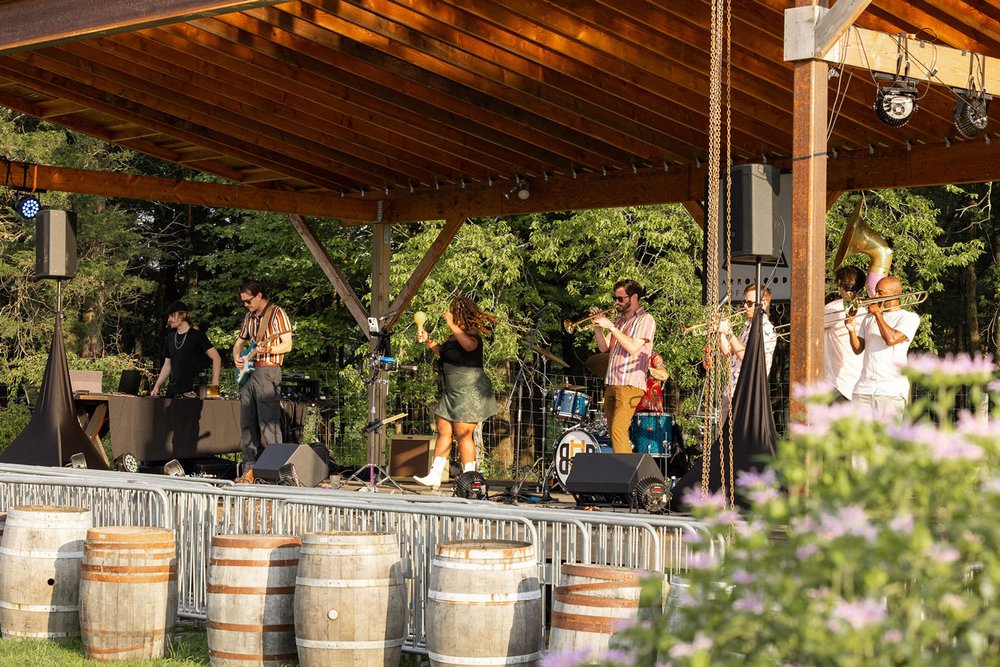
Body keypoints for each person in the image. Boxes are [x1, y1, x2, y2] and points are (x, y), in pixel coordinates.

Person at [414, 296, 498, 489]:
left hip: (469, 390)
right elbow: (444, 352)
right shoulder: (453, 336)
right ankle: (435, 475)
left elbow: (469, 346)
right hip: (452, 390)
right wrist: (428, 340)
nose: (451, 314)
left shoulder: (471, 333)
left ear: (462, 314)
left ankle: (470, 480)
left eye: (455, 311)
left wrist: (451, 324)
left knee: (462, 434)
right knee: (444, 429)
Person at [232, 280, 293, 475]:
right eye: (243, 302)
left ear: (259, 296)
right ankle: (249, 470)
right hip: (249, 373)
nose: (246, 305)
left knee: (268, 422)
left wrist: (269, 348)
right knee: (247, 422)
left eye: (248, 301)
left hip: (268, 370)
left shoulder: (277, 313)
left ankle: (276, 470)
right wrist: (236, 357)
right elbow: (238, 343)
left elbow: (287, 345)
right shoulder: (248, 317)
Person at [591, 280, 656, 454]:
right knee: (614, 432)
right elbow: (604, 347)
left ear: (634, 297)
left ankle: (626, 473)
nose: (617, 303)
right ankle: (624, 469)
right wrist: (597, 326)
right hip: (612, 382)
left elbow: (633, 347)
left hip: (630, 384)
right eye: (615, 298)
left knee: (618, 429)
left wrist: (611, 327)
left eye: (621, 299)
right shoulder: (619, 322)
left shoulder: (645, 320)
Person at [846, 276, 919, 423]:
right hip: (863, 389)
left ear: (894, 294)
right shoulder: (869, 318)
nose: (875, 296)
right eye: (876, 292)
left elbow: (891, 339)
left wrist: (878, 314)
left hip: (890, 390)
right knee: (859, 442)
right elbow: (858, 349)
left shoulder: (909, 318)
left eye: (880, 293)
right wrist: (851, 330)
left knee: (885, 442)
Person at [151, 301, 222, 397]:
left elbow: (216, 358)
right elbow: (167, 365)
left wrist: (215, 384)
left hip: (193, 392)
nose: (169, 319)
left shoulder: (198, 336)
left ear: (182, 315)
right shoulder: (170, 338)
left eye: (172, 315)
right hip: (172, 391)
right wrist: (157, 386)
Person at [718, 283, 777, 396]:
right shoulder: (748, 326)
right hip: (732, 389)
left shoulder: (766, 329)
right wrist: (721, 332)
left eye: (749, 303)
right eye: (744, 302)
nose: (745, 306)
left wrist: (729, 332)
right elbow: (728, 352)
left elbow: (747, 357)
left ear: (763, 304)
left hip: (747, 392)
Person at [824, 266, 867, 402]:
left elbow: (808, 326)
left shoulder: (834, 308)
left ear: (840, 285)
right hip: (860, 382)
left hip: (839, 383)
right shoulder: (868, 309)